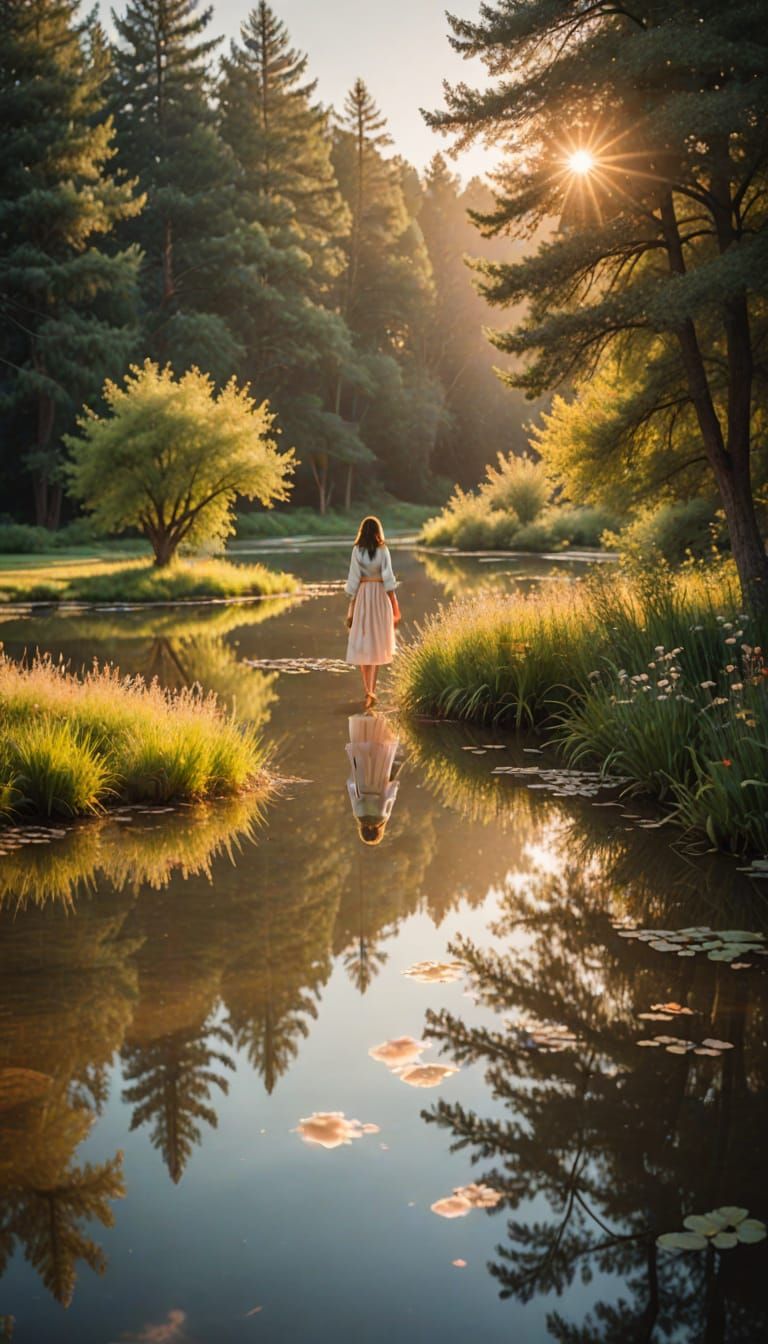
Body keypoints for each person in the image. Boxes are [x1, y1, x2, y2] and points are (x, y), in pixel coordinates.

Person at [344, 515, 400, 705]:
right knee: (376, 644)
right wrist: (395, 607)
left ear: (362, 531)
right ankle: (372, 690)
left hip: (362, 597)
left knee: (362, 643)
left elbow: (353, 581)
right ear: (377, 531)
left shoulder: (356, 551)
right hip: (380, 597)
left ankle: (367, 690)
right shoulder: (383, 550)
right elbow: (389, 580)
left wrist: (350, 609)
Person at [345, 712, 401, 846]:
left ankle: (380, 722)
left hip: (377, 783)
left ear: (378, 832)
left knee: (379, 753)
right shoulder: (358, 815)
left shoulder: (382, 817)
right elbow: (354, 795)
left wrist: (393, 785)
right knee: (364, 755)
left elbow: (387, 797)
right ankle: (367, 723)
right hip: (362, 782)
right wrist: (353, 780)